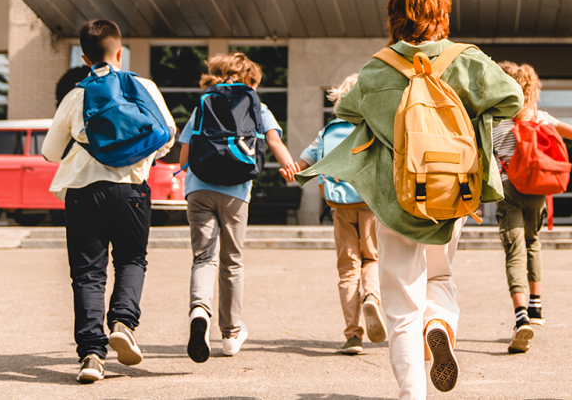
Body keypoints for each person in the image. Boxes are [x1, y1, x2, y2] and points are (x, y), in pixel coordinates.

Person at [296, 0, 522, 400]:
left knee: (401, 301)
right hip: (452, 192)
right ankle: (440, 324)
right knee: (440, 273)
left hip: (396, 196)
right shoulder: (466, 59)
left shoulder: (377, 67)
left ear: (394, 15)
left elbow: (346, 108)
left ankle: (411, 393)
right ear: (443, 13)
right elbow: (511, 97)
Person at [41, 19, 176, 383]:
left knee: (87, 274)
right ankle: (122, 323)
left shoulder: (76, 95)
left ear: (85, 57)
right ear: (121, 52)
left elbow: (49, 152)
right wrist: (137, 157)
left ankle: (90, 356)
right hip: (131, 189)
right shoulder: (142, 86)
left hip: (83, 192)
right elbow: (167, 135)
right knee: (132, 259)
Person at [179, 52, 299, 363]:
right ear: (250, 81)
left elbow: (184, 156)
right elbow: (273, 141)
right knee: (231, 261)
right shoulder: (258, 105)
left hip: (199, 188)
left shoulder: (204, 102)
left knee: (203, 258)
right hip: (236, 192)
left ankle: (199, 312)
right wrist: (290, 167)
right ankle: (231, 334)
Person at [492, 61, 572, 354]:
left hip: (510, 189)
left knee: (515, 250)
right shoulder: (540, 117)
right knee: (533, 241)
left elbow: (482, 160)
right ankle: (536, 306)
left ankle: (521, 316)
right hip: (538, 190)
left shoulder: (495, 122)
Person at [280, 73, 386, 356]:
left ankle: (353, 335)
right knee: (372, 258)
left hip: (340, 208)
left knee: (348, 269)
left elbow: (302, 165)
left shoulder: (328, 131)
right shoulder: (374, 127)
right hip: (370, 204)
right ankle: (372, 296)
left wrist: (290, 170)